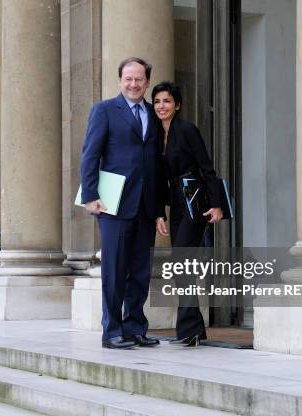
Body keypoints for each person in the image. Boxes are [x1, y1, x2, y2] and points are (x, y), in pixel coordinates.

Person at [80, 57, 161, 349]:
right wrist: (90, 195)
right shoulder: (104, 110)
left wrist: (159, 207)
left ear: (147, 81)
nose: (134, 84)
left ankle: (135, 328)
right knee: (114, 270)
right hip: (113, 204)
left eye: (139, 79)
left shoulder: (152, 115)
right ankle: (112, 331)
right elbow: (90, 153)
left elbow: (155, 164)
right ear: (120, 81)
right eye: (128, 78)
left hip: (145, 206)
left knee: (140, 270)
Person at [152, 81, 223, 347]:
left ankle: (189, 329)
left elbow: (207, 168)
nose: (162, 106)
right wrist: (160, 213)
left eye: (167, 101)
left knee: (182, 262)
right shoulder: (156, 136)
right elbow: (158, 179)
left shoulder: (187, 130)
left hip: (196, 198)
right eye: (157, 101)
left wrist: (216, 205)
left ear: (177, 105)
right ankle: (194, 329)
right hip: (176, 203)